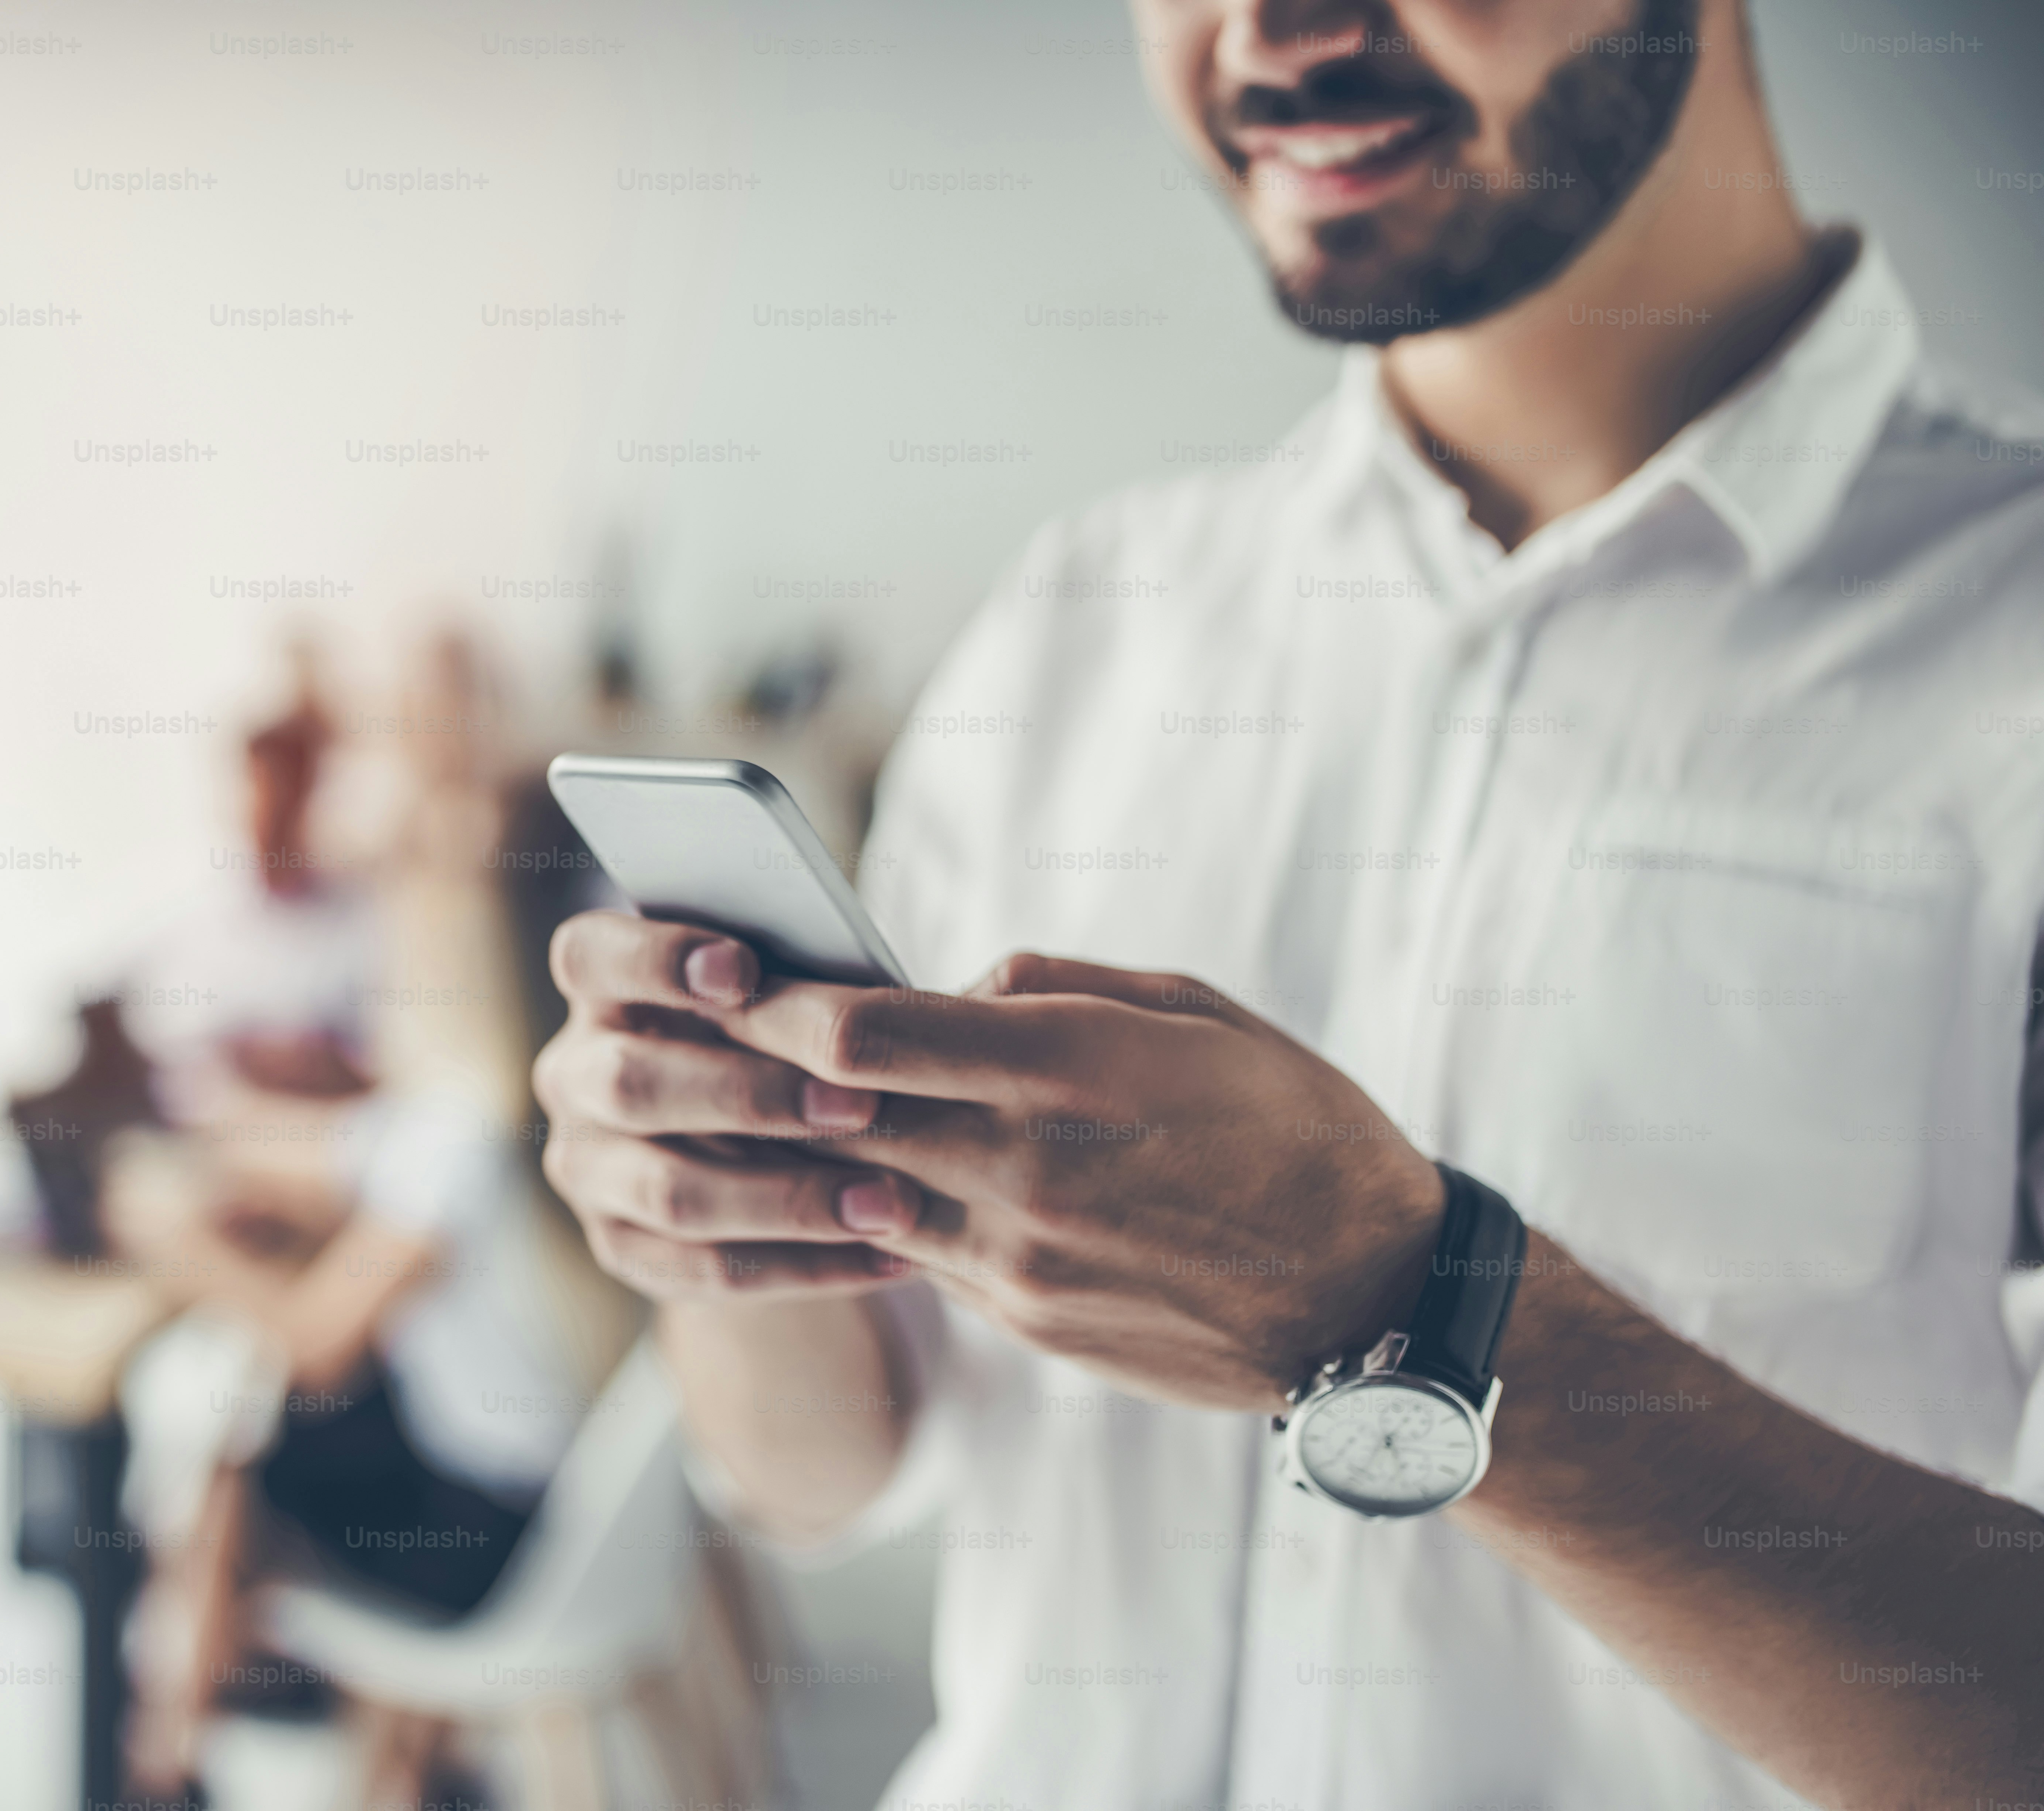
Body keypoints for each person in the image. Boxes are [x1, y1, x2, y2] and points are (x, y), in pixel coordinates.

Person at [532, 4, 2044, 1808]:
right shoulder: (1085, 617)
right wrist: (724, 1226)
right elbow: (825, 1472)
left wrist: (1412, 1307)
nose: (1271, 33)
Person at [109, 670, 607, 1805]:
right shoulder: (489, 1111)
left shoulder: (455, 1131)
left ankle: (167, 1759)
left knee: (245, 1449)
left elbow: (316, 1337)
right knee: (290, 1434)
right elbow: (318, 1152)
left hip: (499, 1535)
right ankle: (390, 1761)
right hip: (552, 1491)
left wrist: (177, 1243)